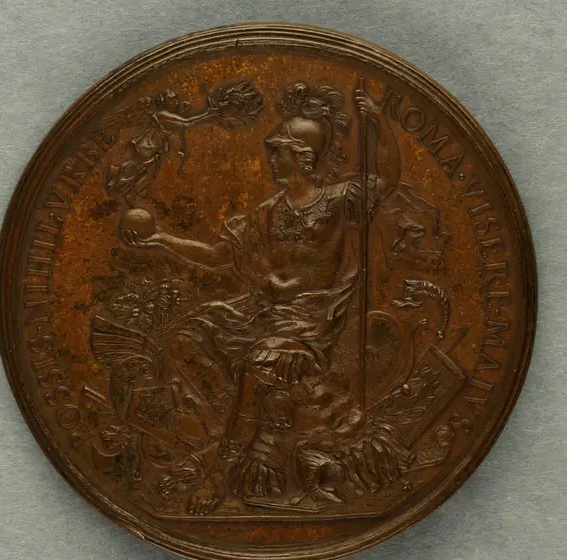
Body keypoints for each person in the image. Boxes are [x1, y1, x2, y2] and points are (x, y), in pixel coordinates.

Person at [120, 83, 401, 514]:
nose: (271, 159)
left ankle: (219, 475)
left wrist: (379, 121)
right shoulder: (269, 211)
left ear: (302, 156)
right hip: (265, 312)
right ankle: (220, 434)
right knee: (189, 333)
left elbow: (387, 180)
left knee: (262, 361)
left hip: (312, 321)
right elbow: (219, 255)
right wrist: (161, 240)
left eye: (278, 152)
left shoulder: (338, 201)